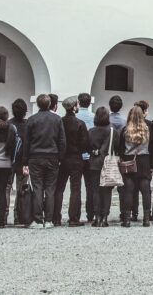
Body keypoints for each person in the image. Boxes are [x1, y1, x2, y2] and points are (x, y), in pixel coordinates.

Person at [22, 94, 66, 229]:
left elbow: (26, 142)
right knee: (50, 189)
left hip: (35, 157)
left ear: (37, 105)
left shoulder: (31, 120)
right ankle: (49, 220)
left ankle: (38, 220)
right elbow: (62, 141)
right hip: (52, 157)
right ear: (50, 104)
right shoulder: (57, 119)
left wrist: (25, 161)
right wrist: (60, 158)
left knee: (37, 188)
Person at [52, 96, 89, 227]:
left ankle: (56, 217)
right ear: (74, 107)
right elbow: (85, 144)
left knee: (59, 188)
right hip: (76, 158)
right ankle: (73, 218)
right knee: (75, 188)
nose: (78, 106)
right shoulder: (80, 123)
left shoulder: (59, 122)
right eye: (77, 105)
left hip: (62, 158)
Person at [86, 107, 122, 227]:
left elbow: (87, 148)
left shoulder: (91, 131)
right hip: (108, 163)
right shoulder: (112, 131)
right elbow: (117, 147)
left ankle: (97, 217)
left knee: (95, 191)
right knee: (107, 191)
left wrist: (95, 151)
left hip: (94, 163)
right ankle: (104, 218)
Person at [118, 106, 152, 227]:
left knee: (129, 191)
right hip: (144, 160)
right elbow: (152, 146)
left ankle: (127, 220)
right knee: (146, 191)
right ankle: (146, 219)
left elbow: (120, 148)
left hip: (129, 161)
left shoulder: (125, 130)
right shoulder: (147, 129)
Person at [8, 99, 29, 226]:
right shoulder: (28, 124)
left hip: (10, 161)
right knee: (22, 190)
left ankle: (4, 217)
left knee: (6, 189)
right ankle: (19, 216)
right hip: (23, 161)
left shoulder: (9, 124)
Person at [77, 93, 97, 223]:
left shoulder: (75, 117)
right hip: (90, 156)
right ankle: (90, 214)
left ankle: (75, 215)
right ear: (90, 103)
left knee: (76, 187)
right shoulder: (94, 117)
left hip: (77, 156)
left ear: (78, 103)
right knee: (90, 187)